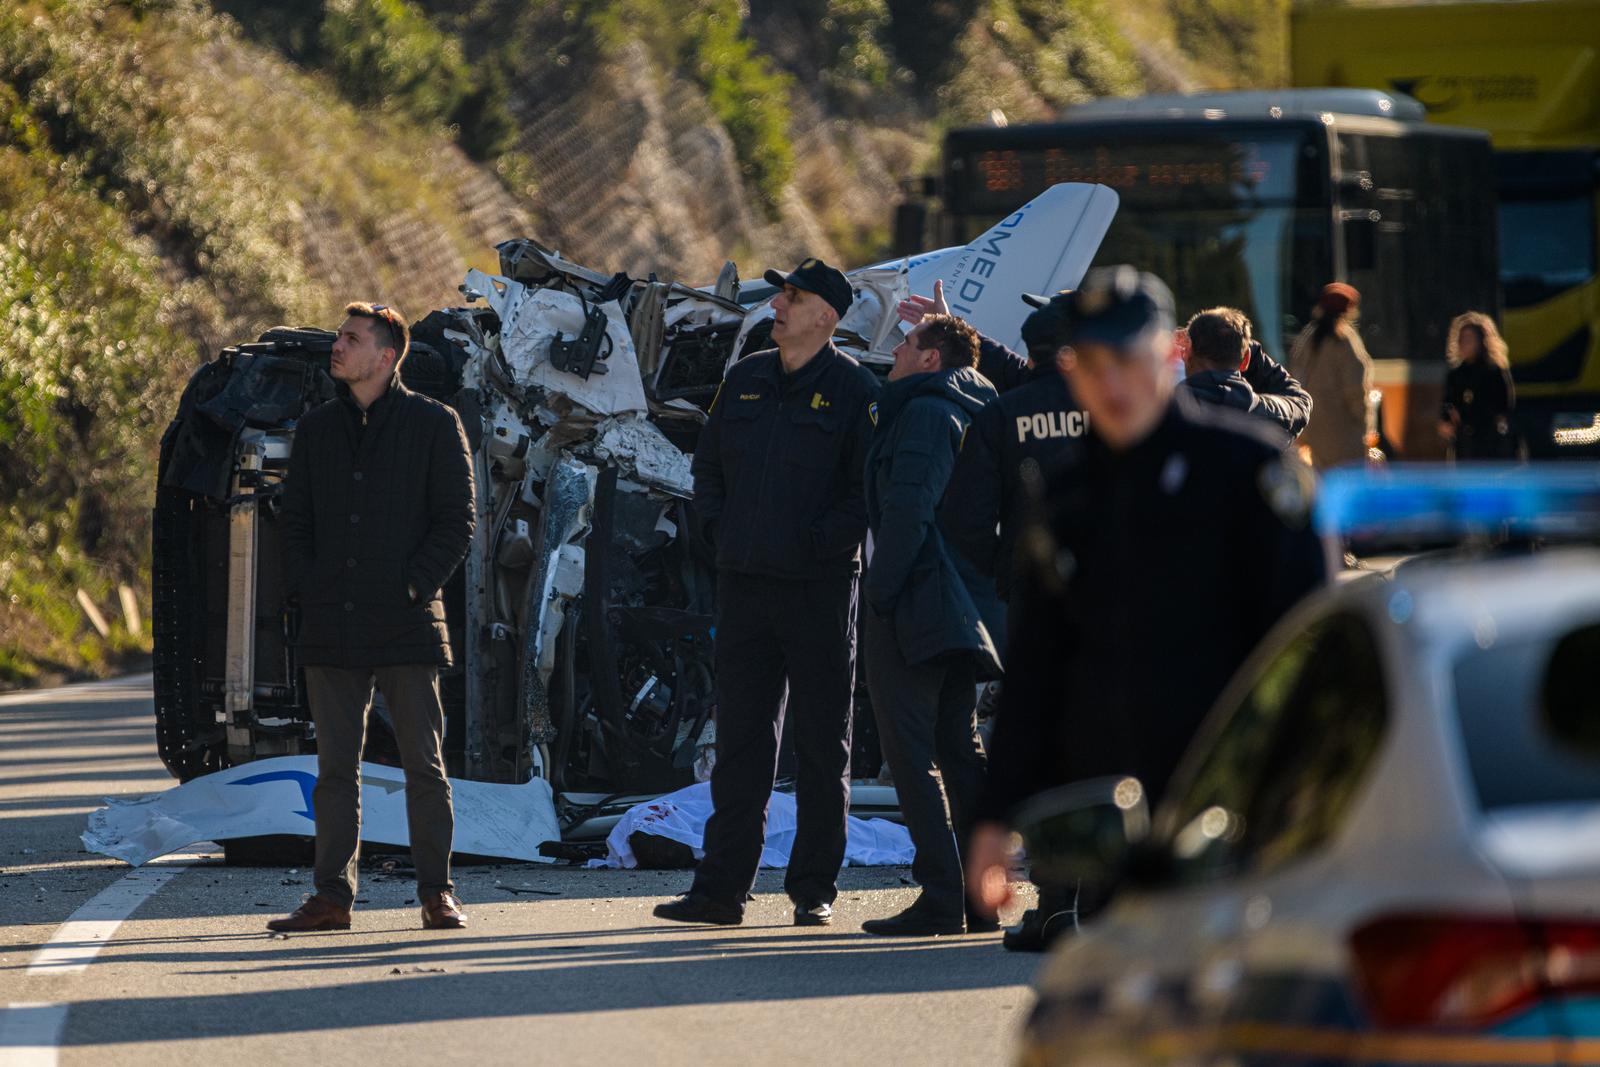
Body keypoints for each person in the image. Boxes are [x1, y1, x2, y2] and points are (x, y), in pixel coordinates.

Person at [966, 266, 1327, 931]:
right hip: (1112, 834)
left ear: (1169, 355)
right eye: (1091, 365)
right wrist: (994, 818)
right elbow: (1037, 670)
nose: (1111, 385)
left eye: (1127, 361)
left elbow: (1307, 656)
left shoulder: (1248, 471)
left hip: (1234, 827)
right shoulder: (1068, 495)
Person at [655, 258, 879, 928]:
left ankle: (813, 889)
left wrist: (816, 543)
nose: (778, 304)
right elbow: (708, 465)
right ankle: (720, 891)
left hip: (818, 590)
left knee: (822, 745)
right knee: (741, 745)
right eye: (782, 293)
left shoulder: (855, 390)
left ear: (826, 317)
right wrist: (717, 529)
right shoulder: (745, 378)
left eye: (794, 297)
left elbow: (866, 492)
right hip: (746, 587)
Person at [270, 302, 476, 933]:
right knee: (335, 770)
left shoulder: (434, 423)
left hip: (408, 622)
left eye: (351, 339)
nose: (337, 346)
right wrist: (308, 587)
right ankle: (331, 898)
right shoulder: (317, 429)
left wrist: (413, 585)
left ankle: (437, 894)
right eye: (339, 336)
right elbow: (295, 520)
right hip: (331, 622)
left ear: (385, 357)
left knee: (424, 766)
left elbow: (457, 520)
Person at [859, 314, 1000, 937]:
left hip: (916, 601)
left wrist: (879, 592)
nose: (895, 350)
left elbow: (909, 507)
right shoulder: (975, 408)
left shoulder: (924, 412)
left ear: (931, 358)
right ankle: (981, 899)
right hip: (959, 606)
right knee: (959, 750)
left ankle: (943, 895)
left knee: (911, 752)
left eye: (907, 342)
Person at [1179, 307, 1312, 439]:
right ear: (1246, 359)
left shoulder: (1169, 414)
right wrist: (1243, 346)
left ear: (1186, 352)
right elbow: (1300, 402)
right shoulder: (1266, 417)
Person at [1289, 283, 1374, 470]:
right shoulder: (1345, 340)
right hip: (1344, 433)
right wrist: (1366, 426)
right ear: (1349, 311)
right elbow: (1355, 391)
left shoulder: (1307, 338)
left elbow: (1295, 381)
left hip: (1312, 431)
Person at [1441, 311, 1515, 460]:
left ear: (1480, 342)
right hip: (1464, 440)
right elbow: (1448, 402)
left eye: (1469, 339)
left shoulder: (1493, 372)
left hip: (1489, 438)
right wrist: (1447, 420)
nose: (1465, 344)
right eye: (1462, 339)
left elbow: (1504, 405)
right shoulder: (1455, 374)